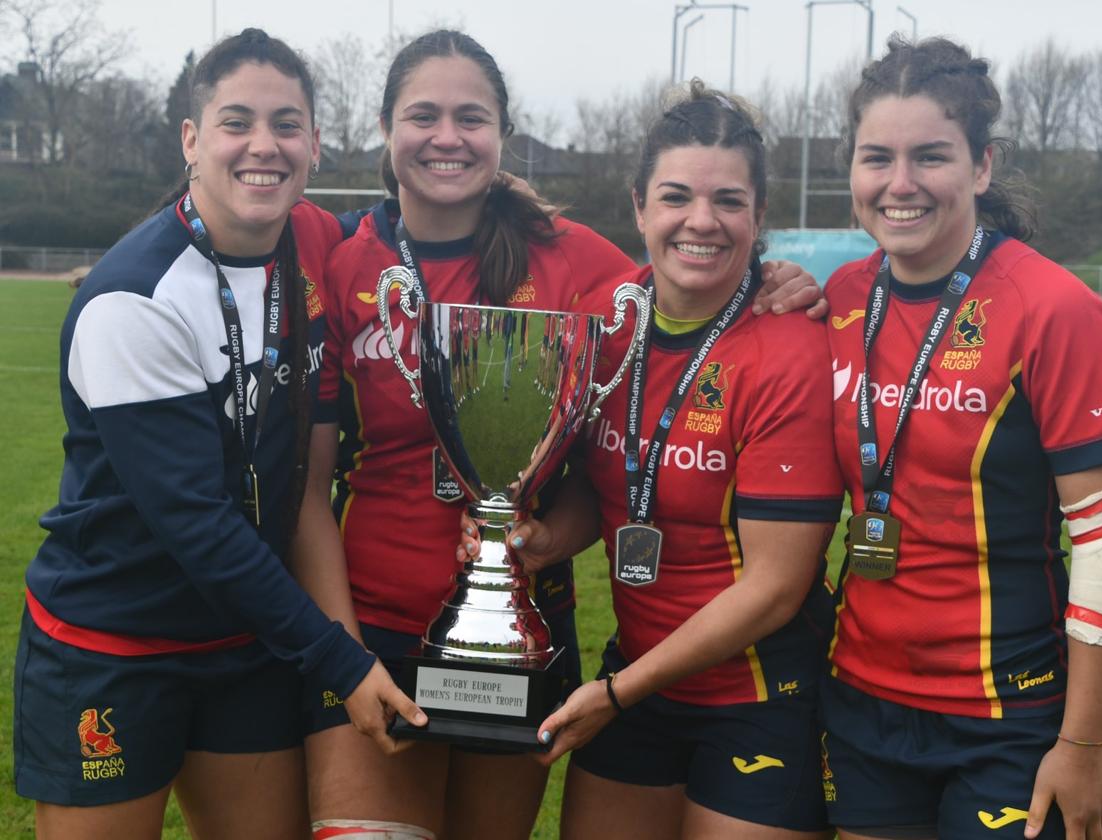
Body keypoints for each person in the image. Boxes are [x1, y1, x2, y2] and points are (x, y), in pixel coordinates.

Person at [292, 29, 828, 840]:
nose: (447, 137)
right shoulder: (339, 259)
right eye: (423, 115)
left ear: (502, 134)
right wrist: (343, 653)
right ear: (384, 128)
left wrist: (774, 279)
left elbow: (691, 284)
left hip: (521, 634)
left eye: (470, 117)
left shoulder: (581, 266)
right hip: (371, 631)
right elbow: (309, 484)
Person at [12, 29, 413, 839]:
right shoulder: (133, 299)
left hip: (246, 642)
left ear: (314, 144)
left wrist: (735, 277)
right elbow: (197, 525)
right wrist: (342, 660)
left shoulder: (313, 240)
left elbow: (415, 223)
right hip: (112, 645)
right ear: (193, 140)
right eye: (237, 121)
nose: (263, 145)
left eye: (287, 124)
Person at [463, 81, 845, 839]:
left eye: (729, 201)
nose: (700, 222)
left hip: (757, 695)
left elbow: (775, 587)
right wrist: (545, 541)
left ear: (759, 217)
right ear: (639, 207)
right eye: (676, 197)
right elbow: (603, 488)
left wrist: (617, 693)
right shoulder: (605, 322)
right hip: (639, 678)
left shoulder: (790, 349)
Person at [819, 36, 1102, 840]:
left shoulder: (1054, 311)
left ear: (982, 166)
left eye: (930, 156)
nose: (900, 185)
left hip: (1009, 715)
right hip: (860, 701)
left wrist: (1082, 744)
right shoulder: (837, 295)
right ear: (852, 170)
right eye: (877, 158)